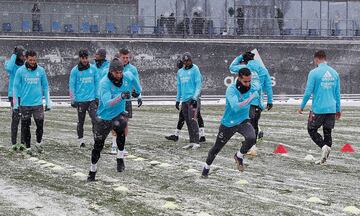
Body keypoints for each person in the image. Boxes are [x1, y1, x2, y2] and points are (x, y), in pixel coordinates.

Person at [87, 58, 141, 182]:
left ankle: (120, 157)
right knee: (98, 146)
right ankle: (92, 170)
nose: (119, 75)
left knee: (122, 130)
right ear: (111, 72)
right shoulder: (104, 83)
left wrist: (137, 93)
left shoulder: (127, 76)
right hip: (105, 117)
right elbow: (106, 103)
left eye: (120, 72)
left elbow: (135, 82)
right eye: (116, 72)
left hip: (118, 114)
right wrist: (121, 96)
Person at [202, 68, 258, 178]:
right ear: (239, 78)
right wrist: (251, 98)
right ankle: (206, 168)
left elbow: (259, 92)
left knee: (252, 138)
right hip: (229, 123)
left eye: (249, 81)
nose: (248, 84)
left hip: (243, 121)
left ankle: (239, 156)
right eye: (245, 81)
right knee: (216, 148)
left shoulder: (253, 87)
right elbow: (236, 107)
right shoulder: (231, 90)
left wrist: (263, 103)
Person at [298, 50, 341, 165]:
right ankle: (324, 158)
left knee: (311, 129)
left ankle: (323, 147)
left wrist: (301, 106)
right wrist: (338, 109)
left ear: (316, 59)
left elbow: (308, 92)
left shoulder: (314, 72)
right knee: (327, 132)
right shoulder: (334, 73)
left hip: (318, 108)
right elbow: (337, 94)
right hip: (331, 108)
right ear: (325, 59)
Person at [229, 51, 273, 156]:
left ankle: (251, 145)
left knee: (245, 123)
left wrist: (240, 57)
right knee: (254, 123)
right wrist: (270, 100)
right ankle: (252, 145)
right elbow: (268, 86)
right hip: (258, 101)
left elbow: (231, 67)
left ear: (244, 61)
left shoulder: (244, 69)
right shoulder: (263, 69)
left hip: (247, 100)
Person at [13, 50, 51, 155]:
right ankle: (28, 147)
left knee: (40, 125)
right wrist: (16, 104)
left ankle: (38, 143)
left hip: (38, 104)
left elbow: (46, 86)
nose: (33, 62)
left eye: (34, 60)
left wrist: (48, 102)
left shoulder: (41, 71)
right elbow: (15, 88)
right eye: (30, 60)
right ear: (26, 59)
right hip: (25, 104)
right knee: (26, 126)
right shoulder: (20, 71)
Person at [107, 49, 142, 154]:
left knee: (125, 123)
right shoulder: (113, 68)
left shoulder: (133, 69)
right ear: (119, 57)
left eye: (127, 57)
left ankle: (122, 146)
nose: (126, 59)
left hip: (127, 100)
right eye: (124, 57)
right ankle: (114, 145)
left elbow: (137, 84)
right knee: (115, 122)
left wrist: (139, 95)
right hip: (116, 99)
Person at [165, 58, 206, 142]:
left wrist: (196, 97)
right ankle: (201, 135)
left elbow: (198, 83)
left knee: (192, 117)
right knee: (196, 116)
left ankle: (180, 135)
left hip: (194, 97)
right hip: (190, 97)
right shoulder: (183, 72)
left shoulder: (193, 71)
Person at [69, 49, 99, 148]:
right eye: (83, 58)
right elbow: (72, 85)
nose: (85, 60)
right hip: (80, 101)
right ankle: (80, 140)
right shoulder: (75, 70)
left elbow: (97, 84)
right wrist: (72, 99)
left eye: (86, 58)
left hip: (91, 100)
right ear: (80, 58)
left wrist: (97, 97)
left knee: (95, 120)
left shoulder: (93, 69)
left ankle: (96, 140)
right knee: (81, 121)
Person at [176, 52, 202, 149]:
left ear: (191, 60)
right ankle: (191, 141)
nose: (187, 62)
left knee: (193, 120)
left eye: (188, 60)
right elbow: (179, 86)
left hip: (193, 99)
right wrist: (178, 100)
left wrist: (195, 98)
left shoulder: (195, 69)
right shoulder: (180, 72)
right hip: (184, 100)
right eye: (185, 61)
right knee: (187, 121)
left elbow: (198, 84)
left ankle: (196, 142)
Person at [5, 46, 26, 151]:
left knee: (24, 119)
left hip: (25, 95)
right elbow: (8, 68)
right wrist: (14, 54)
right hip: (13, 95)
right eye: (22, 55)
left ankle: (23, 142)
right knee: (15, 118)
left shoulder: (25, 66)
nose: (24, 57)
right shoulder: (12, 65)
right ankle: (14, 142)